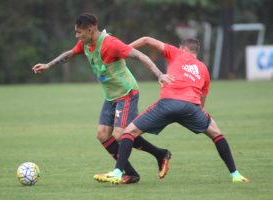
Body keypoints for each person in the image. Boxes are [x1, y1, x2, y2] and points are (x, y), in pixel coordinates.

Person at [32, 14, 174, 184]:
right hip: (110, 97)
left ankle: (119, 172)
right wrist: (48, 65)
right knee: (102, 135)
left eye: (79, 32)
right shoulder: (85, 43)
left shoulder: (110, 44)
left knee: (121, 134)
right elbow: (69, 53)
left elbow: (140, 56)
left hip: (127, 93)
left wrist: (159, 74)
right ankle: (139, 168)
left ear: (91, 29)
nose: (77, 36)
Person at [94, 37, 250, 184]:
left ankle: (118, 172)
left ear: (182, 48)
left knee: (127, 133)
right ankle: (235, 174)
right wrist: (194, 113)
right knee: (217, 134)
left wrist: (124, 50)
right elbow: (202, 100)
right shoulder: (203, 68)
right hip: (191, 107)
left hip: (167, 104)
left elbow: (147, 40)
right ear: (196, 52)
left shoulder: (176, 52)